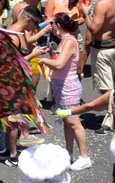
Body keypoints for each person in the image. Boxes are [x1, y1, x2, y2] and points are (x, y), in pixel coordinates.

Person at [36, 13, 91, 170]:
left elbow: (59, 64)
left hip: (69, 86)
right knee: (67, 122)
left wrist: (45, 60)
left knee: (74, 122)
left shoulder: (69, 41)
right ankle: (69, 153)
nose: (50, 28)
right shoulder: (64, 41)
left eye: (52, 25)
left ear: (58, 26)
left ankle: (84, 156)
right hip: (60, 85)